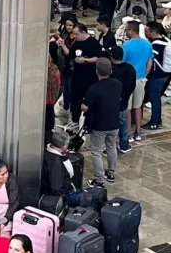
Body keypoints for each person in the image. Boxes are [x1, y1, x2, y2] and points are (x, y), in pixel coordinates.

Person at [58, 24, 105, 131]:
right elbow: (70, 54)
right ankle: (74, 119)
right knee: (75, 98)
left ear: (83, 32)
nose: (75, 36)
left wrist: (85, 60)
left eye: (77, 34)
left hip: (89, 77)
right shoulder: (77, 42)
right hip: (77, 76)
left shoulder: (93, 43)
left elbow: (99, 58)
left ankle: (88, 123)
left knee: (88, 100)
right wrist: (63, 46)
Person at [82, 58, 122, 187]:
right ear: (110, 71)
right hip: (114, 122)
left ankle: (99, 180)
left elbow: (85, 107)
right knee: (111, 147)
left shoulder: (94, 88)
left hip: (99, 124)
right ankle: (111, 173)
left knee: (96, 151)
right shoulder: (117, 84)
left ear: (96, 71)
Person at [123, 20, 154, 142]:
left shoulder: (126, 46)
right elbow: (150, 62)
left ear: (131, 30)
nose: (125, 32)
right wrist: (144, 75)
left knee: (128, 108)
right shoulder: (147, 44)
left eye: (126, 30)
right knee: (138, 106)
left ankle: (129, 134)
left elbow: (123, 63)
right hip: (141, 79)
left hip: (128, 80)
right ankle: (138, 132)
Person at [110, 46, 136, 154]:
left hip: (110, 104)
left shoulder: (110, 69)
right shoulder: (130, 68)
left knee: (111, 128)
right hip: (124, 102)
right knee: (123, 125)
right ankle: (124, 145)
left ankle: (111, 148)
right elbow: (132, 85)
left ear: (111, 57)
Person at [144, 21, 169, 130]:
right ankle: (157, 120)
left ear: (153, 32)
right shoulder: (167, 40)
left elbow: (150, 61)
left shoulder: (155, 45)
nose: (145, 33)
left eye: (147, 31)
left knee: (154, 100)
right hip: (166, 75)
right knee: (157, 99)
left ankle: (154, 122)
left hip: (156, 76)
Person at [55, 15, 77, 119]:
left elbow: (71, 53)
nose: (68, 27)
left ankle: (71, 110)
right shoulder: (65, 34)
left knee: (71, 88)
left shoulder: (77, 38)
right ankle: (66, 106)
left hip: (72, 66)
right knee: (65, 88)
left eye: (70, 25)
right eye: (66, 25)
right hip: (64, 65)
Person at [41, 131, 74, 195]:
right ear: (63, 146)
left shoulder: (47, 152)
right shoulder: (56, 163)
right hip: (64, 194)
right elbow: (56, 188)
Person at [45, 42, 61, 143]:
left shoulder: (41, 71)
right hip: (51, 101)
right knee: (49, 126)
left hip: (42, 102)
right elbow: (58, 85)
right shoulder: (56, 70)